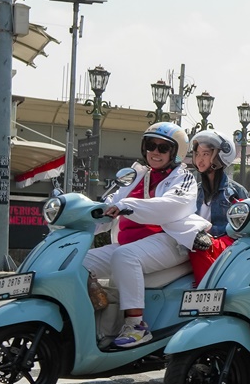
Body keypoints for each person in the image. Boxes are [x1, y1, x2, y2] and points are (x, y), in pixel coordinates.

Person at [84, 122, 206, 348]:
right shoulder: (136, 175)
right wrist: (81, 218)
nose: (155, 152)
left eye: (163, 148)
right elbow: (108, 205)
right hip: (132, 243)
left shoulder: (184, 177)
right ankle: (89, 322)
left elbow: (173, 205)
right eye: (150, 145)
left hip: (170, 241)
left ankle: (137, 325)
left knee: (125, 256)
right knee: (79, 262)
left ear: (175, 153)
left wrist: (128, 205)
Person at [187, 130, 248, 284]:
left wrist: (206, 237)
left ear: (220, 156)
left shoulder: (235, 191)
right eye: (198, 154)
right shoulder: (194, 190)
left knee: (198, 246)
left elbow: (243, 228)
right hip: (197, 242)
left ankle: (207, 289)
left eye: (206, 154)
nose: (200, 159)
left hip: (224, 245)